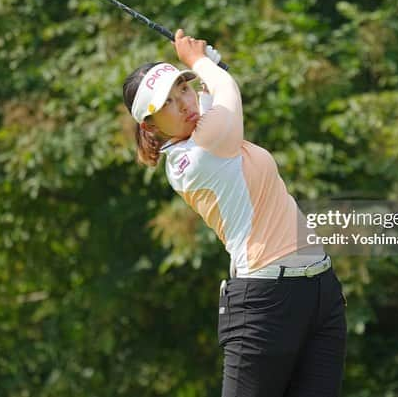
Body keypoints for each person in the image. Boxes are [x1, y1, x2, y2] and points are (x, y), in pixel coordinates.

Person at [122, 29, 347, 397]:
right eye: (166, 103)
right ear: (150, 125)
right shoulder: (191, 156)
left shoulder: (205, 132)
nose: (183, 103)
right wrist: (198, 63)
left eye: (183, 88)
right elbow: (227, 96)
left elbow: (216, 94)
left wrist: (213, 66)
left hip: (320, 290)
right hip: (266, 299)